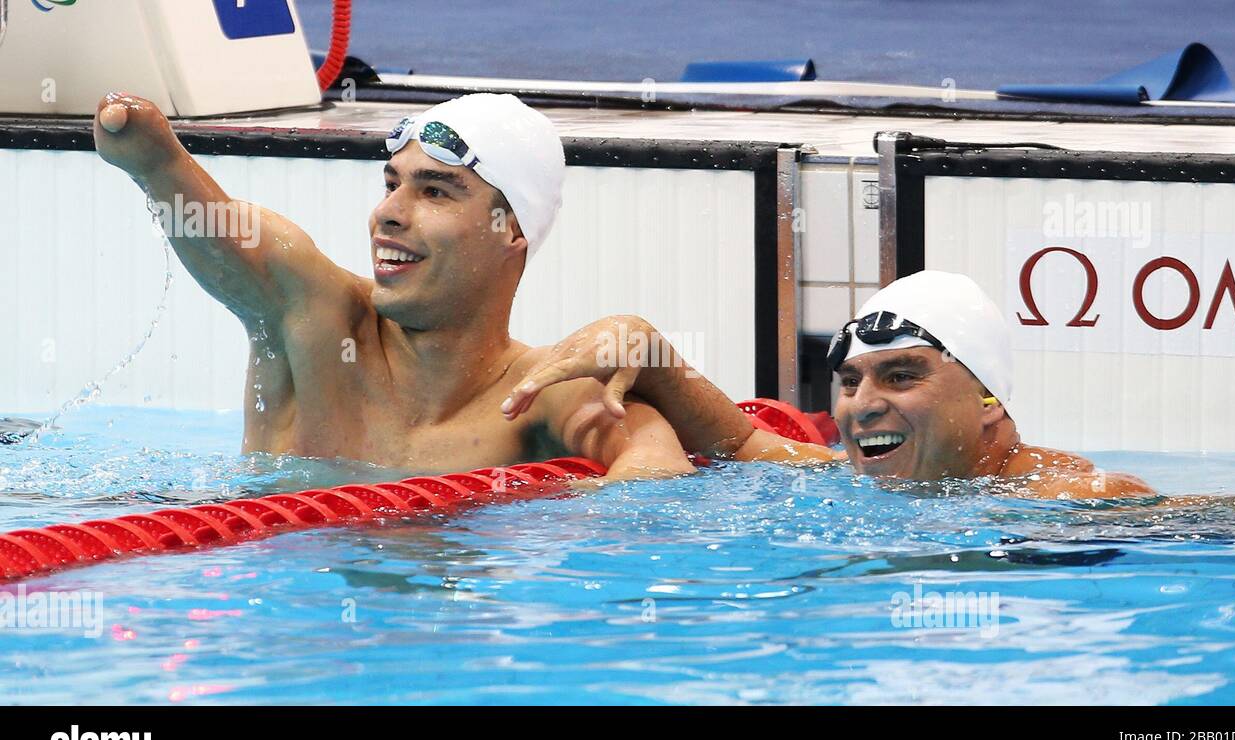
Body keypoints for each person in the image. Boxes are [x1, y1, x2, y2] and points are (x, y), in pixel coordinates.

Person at [92, 92, 694, 480]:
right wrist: (157, 162)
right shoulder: (315, 320)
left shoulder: (543, 394)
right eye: (391, 184)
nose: (389, 213)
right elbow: (231, 240)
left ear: (511, 228)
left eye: (434, 191)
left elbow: (655, 475)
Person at [501, 271, 1153, 499]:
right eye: (848, 381)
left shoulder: (1075, 498)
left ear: (989, 400)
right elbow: (741, 442)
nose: (864, 406)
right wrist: (644, 345)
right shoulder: (852, 475)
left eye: (901, 375)